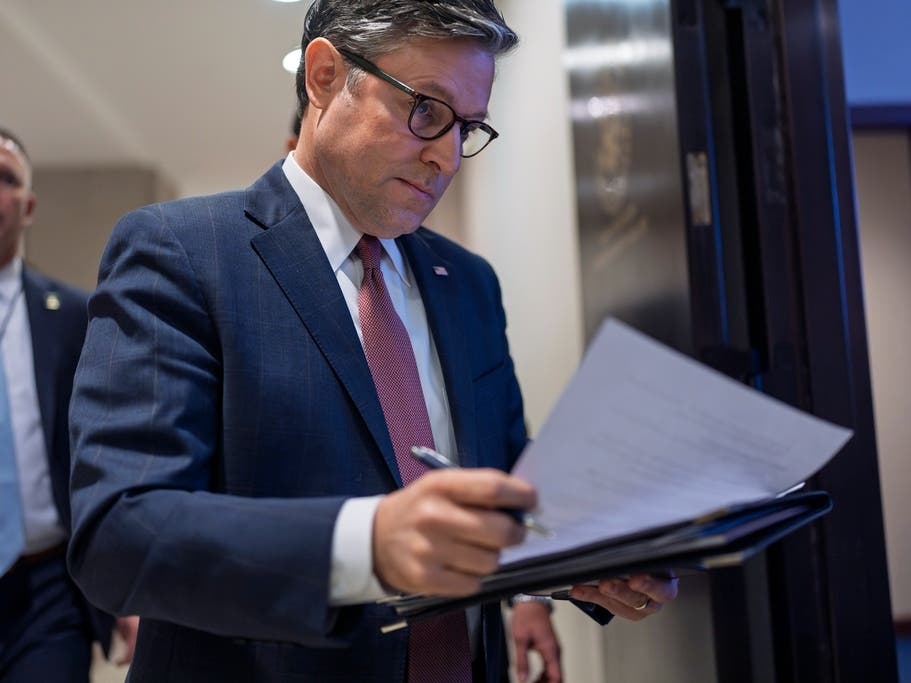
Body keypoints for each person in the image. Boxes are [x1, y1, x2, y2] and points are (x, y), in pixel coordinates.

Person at [66, 2, 678, 681]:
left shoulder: (467, 284)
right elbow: (120, 534)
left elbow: (503, 487)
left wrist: (590, 558)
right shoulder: (182, 252)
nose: (447, 156)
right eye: (426, 109)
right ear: (325, 76)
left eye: (469, 127)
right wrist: (368, 545)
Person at [0, 128, 138, 681]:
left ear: (28, 206)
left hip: (47, 595)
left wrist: (125, 589)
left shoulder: (73, 316)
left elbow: (102, 456)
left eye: (6, 178)